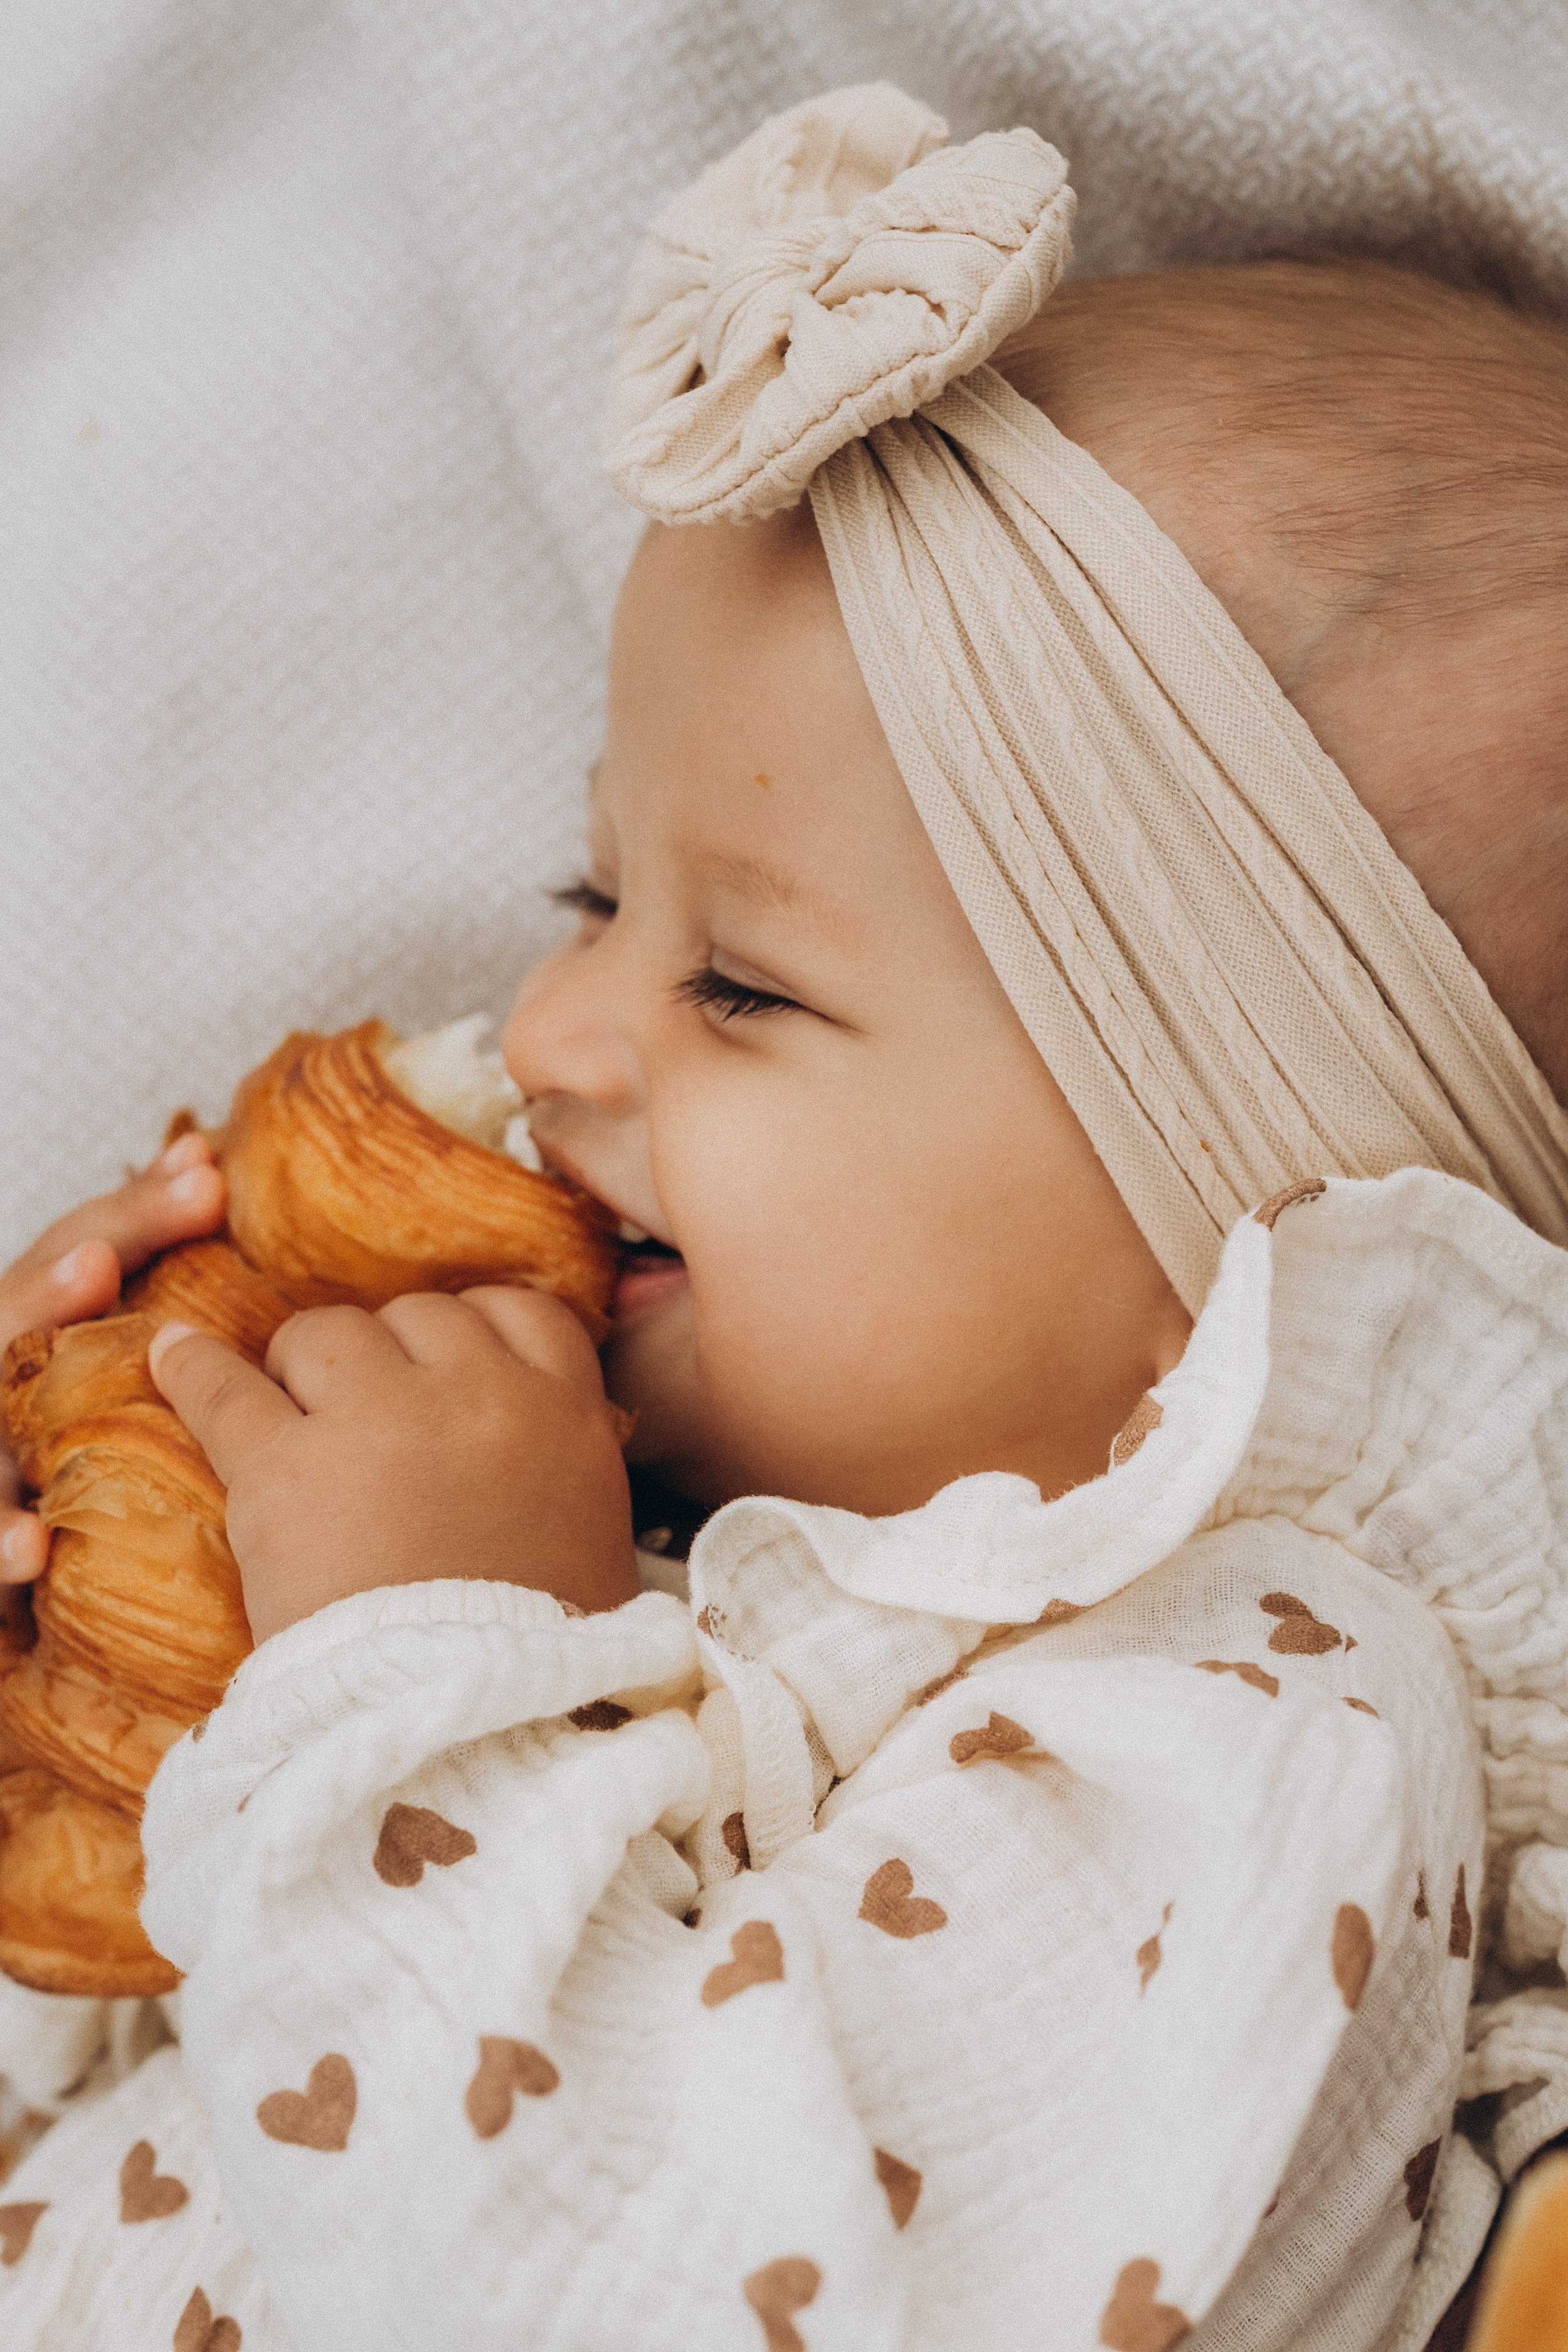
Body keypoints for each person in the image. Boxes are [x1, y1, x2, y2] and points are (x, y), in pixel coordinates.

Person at [2, 81, 1567, 2352]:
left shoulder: (1258, 1730)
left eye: (741, 980)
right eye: (595, 895)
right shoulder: (633, 1556)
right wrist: (108, 1656)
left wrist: (432, 1681)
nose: (544, 1027)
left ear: (1251, 1198)